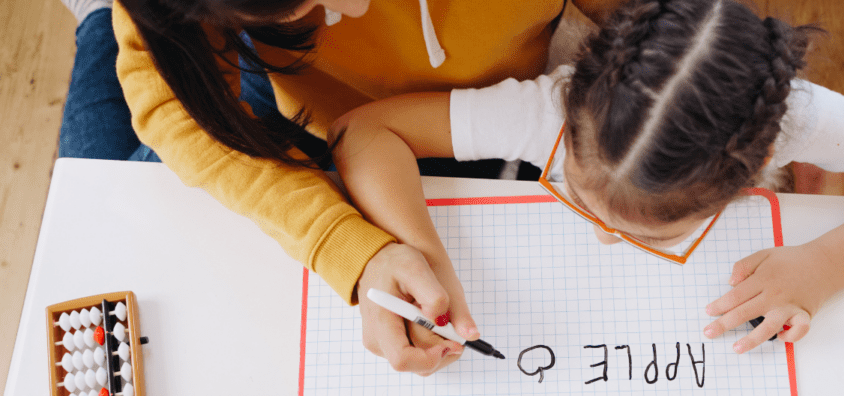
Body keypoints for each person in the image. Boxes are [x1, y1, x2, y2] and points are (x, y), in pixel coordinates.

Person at [329, 0, 844, 357]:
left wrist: (823, 267)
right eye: (585, 200)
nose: (606, 238)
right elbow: (363, 132)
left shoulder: (795, 119)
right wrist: (425, 255)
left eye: (643, 226)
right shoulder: (543, 110)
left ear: (750, 175)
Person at [57, 0, 627, 376]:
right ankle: (103, 19)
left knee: (94, 188)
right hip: (315, 121)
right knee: (95, 205)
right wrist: (345, 243)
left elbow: (677, 34)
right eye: (300, 13)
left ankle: (97, 20)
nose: (351, 9)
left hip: (491, 110)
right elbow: (176, 109)